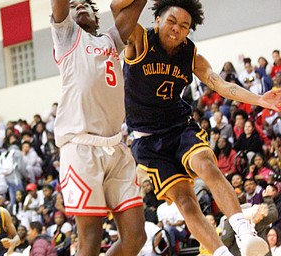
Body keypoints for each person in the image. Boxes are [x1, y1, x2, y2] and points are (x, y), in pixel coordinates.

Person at [122, 0, 281, 255]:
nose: (177, 29)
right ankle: (220, 252)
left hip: (179, 126)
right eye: (172, 21)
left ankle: (243, 231)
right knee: (185, 201)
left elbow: (219, 84)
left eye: (184, 26)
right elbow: (118, 9)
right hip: (148, 140)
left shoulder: (190, 54)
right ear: (158, 20)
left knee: (206, 165)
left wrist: (259, 99)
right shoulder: (139, 40)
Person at [50, 0, 147, 255]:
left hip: (115, 147)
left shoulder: (111, 41)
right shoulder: (67, 36)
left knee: (136, 236)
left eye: (86, 5)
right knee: (90, 240)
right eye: (74, 5)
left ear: (96, 15)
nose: (80, 6)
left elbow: (137, 6)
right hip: (81, 148)